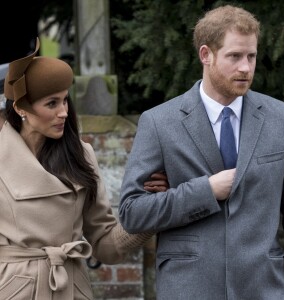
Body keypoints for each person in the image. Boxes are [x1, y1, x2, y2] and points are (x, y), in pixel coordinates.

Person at [119, 4, 284, 300]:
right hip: (188, 289)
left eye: (251, 56)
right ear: (206, 54)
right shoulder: (159, 122)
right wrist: (205, 191)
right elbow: (131, 213)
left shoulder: (283, 118)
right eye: (234, 56)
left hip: (264, 289)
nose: (246, 67)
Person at [0, 37, 169, 299]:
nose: (64, 112)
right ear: (21, 108)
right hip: (13, 288)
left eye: (65, 101)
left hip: (71, 287)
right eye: (51, 103)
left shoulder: (81, 155)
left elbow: (105, 245)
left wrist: (152, 210)